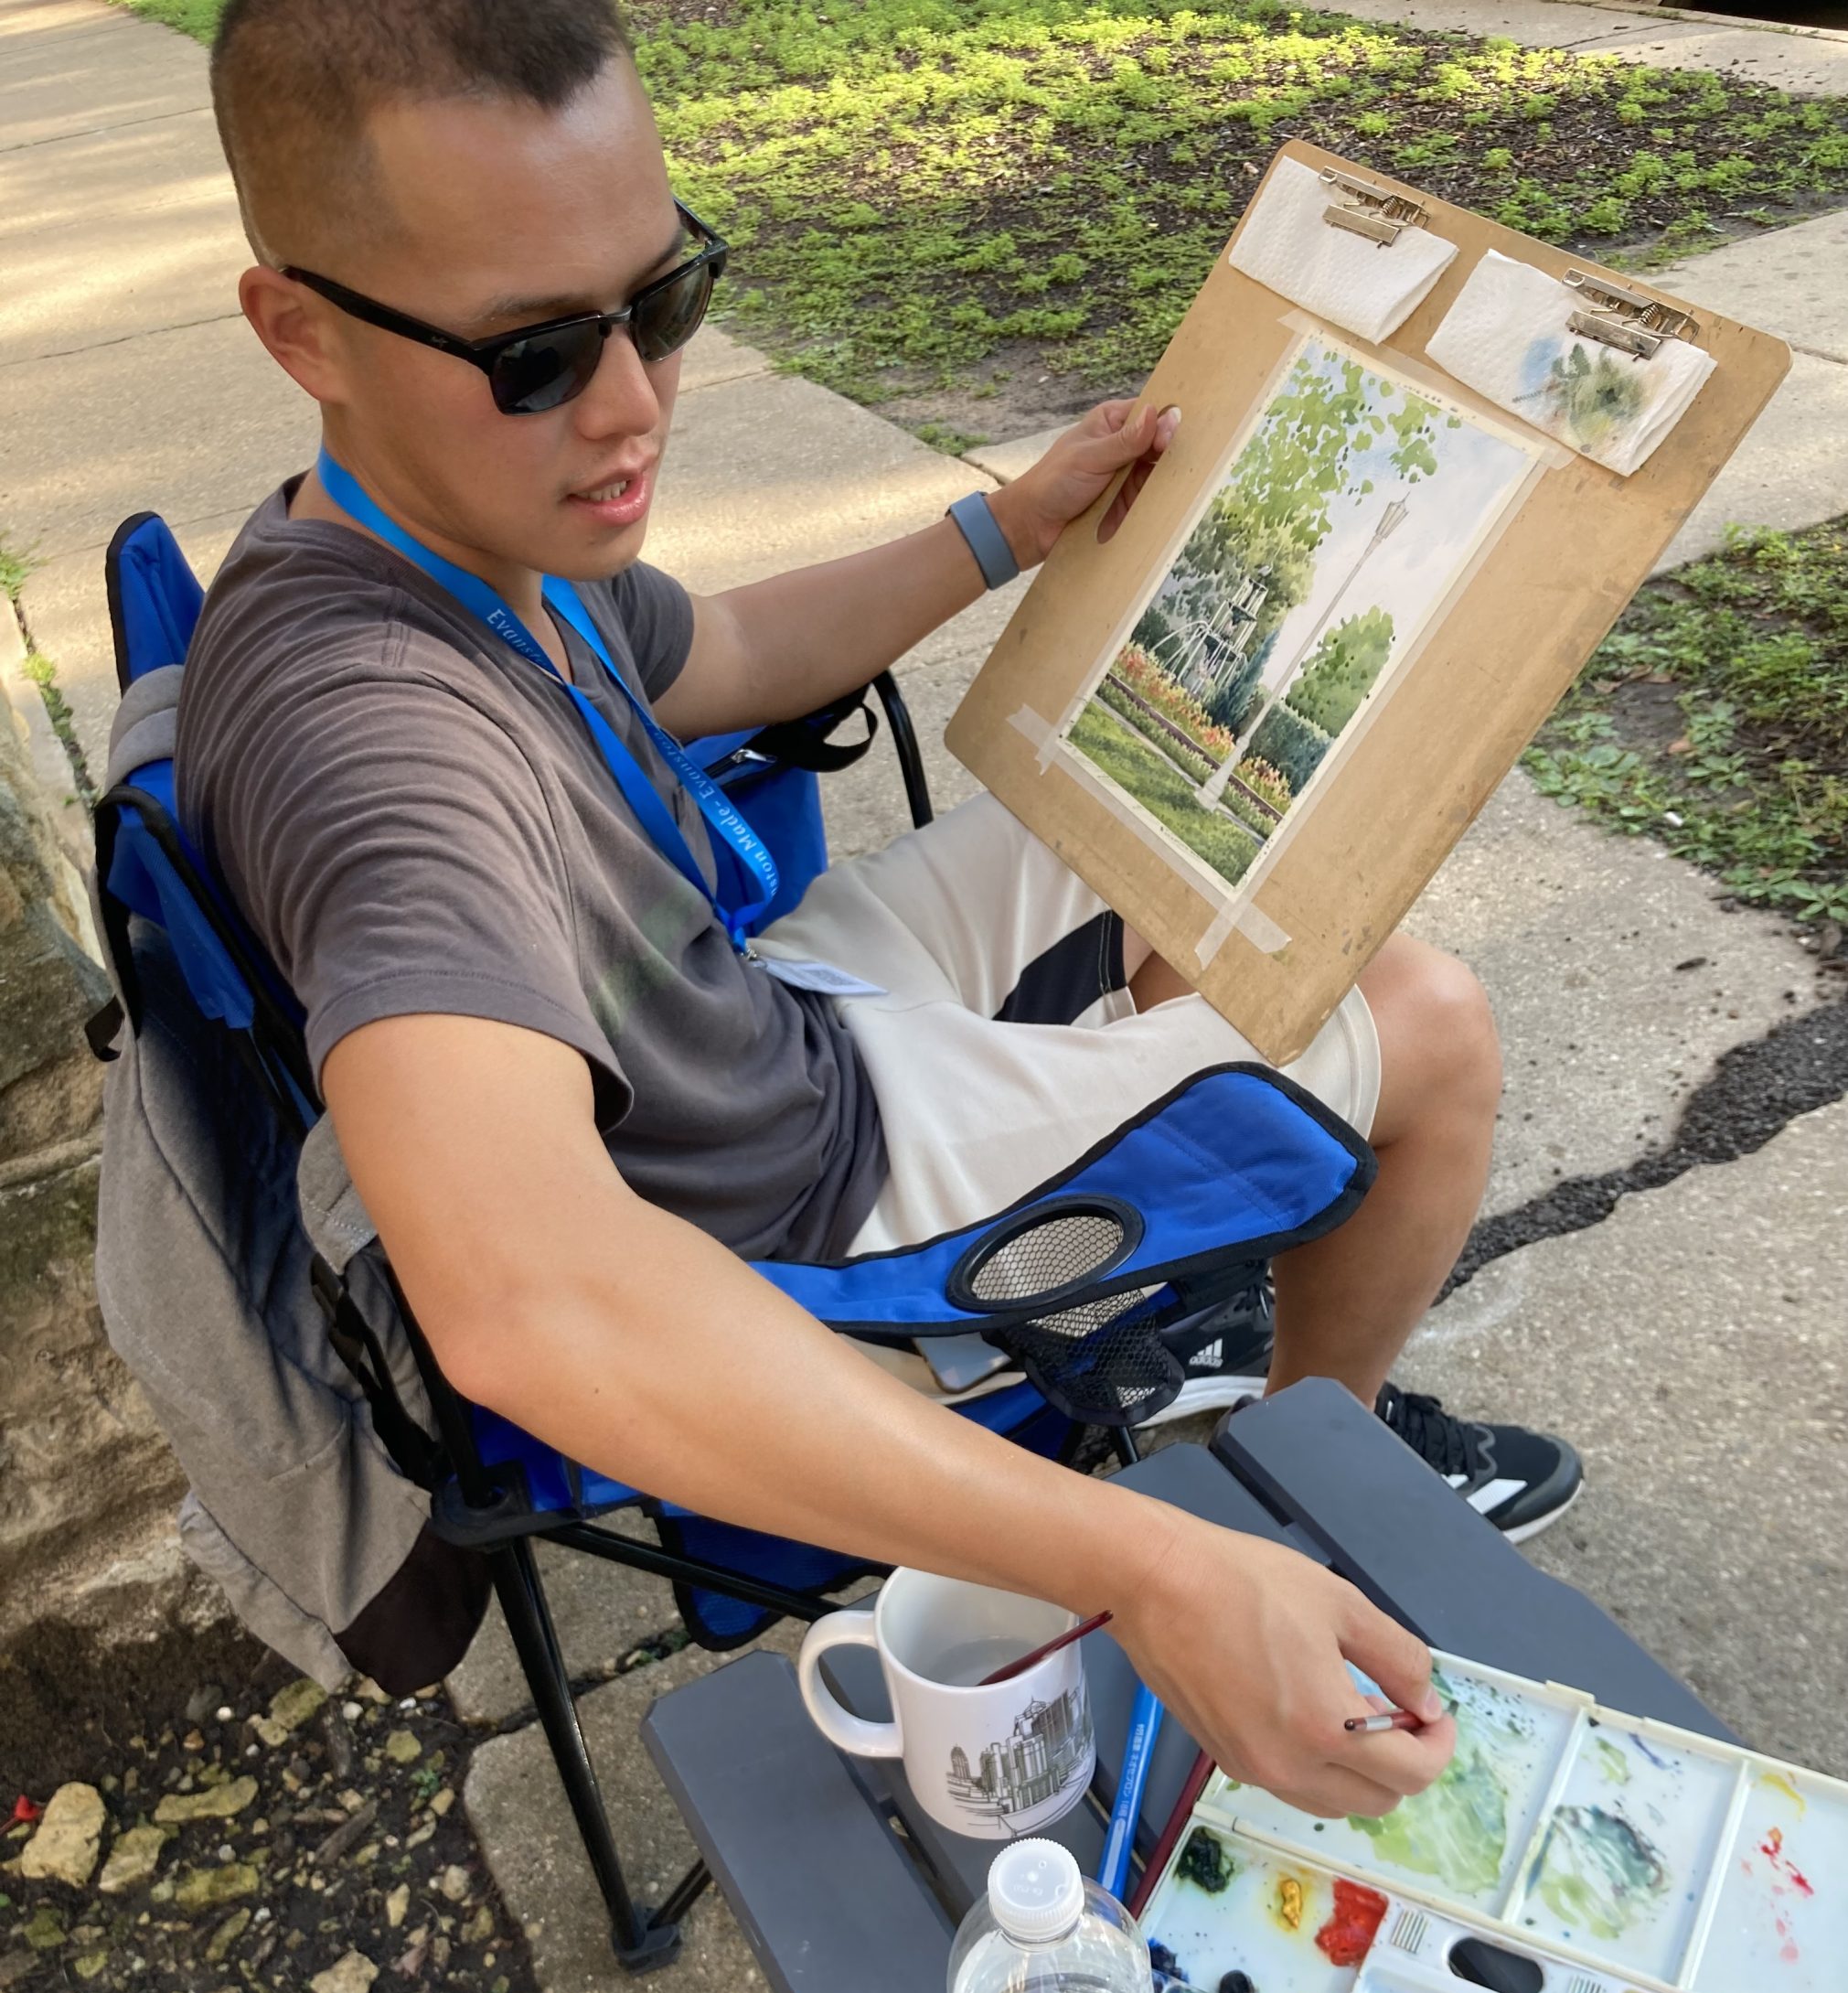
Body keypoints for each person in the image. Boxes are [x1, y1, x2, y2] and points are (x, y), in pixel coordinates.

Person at [178, 0, 1579, 1817]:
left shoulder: (450, 529)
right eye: (533, 354)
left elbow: (736, 645)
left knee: (1201, 819)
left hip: (755, 1012)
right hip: (794, 1189)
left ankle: (1204, 1307)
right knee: (1436, 1029)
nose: (632, 405)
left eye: (661, 301)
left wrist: (1008, 525)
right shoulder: (371, 738)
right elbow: (536, 1304)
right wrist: (1144, 1566)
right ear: (300, 328)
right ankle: (1308, 1490)